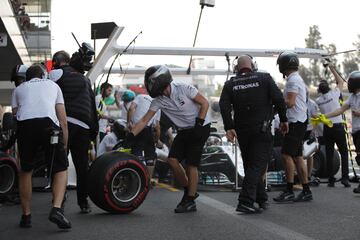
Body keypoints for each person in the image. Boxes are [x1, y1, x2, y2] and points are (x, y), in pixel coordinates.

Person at [127, 65, 210, 213]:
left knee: (192, 163)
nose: (149, 86)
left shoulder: (183, 88)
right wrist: (131, 135)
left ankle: (189, 200)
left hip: (201, 125)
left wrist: (199, 124)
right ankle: (189, 191)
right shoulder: (158, 100)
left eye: (151, 82)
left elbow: (204, 103)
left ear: (160, 79)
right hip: (184, 129)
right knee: (172, 160)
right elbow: (143, 121)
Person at [219, 55, 288, 213]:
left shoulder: (230, 84)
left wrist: (229, 127)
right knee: (257, 165)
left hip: (242, 131)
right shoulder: (264, 78)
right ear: (253, 65)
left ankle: (261, 198)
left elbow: (223, 106)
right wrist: (284, 120)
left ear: (236, 68)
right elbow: (279, 99)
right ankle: (245, 201)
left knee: (251, 165)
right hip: (261, 130)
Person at [11, 64, 71, 229]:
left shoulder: (19, 89)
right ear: (44, 75)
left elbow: (16, 114)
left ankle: (26, 216)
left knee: (26, 171)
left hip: (26, 127)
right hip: (49, 126)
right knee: (60, 168)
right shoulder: (54, 85)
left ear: (26, 78)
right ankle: (57, 209)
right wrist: (64, 146)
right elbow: (63, 120)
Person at [51, 50, 99, 213]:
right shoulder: (86, 80)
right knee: (82, 165)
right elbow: (92, 106)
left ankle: (59, 200)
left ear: (58, 62)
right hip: (84, 125)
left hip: (66, 122)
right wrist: (94, 131)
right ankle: (83, 202)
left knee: (60, 162)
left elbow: (45, 87)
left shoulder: (57, 73)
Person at [273, 51, 313, 203]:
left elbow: (290, 102)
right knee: (297, 157)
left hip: (296, 122)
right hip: (298, 121)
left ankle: (289, 190)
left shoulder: (293, 80)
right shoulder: (296, 78)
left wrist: (275, 104)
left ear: (284, 65)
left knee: (286, 155)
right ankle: (306, 190)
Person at [322, 71, 360, 193]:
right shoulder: (352, 97)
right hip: (355, 131)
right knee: (359, 158)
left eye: (351, 83)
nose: (349, 85)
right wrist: (324, 116)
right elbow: (340, 110)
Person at [315, 63, 350, 187]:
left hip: (327, 129)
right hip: (338, 127)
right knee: (344, 153)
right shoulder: (335, 93)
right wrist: (331, 67)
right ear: (329, 88)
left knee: (329, 154)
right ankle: (345, 178)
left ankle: (331, 180)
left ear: (320, 91)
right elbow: (340, 81)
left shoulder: (318, 101)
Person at [128, 93, 161, 180]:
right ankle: (148, 181)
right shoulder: (157, 104)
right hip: (148, 130)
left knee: (135, 153)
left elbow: (131, 108)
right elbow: (157, 127)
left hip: (137, 128)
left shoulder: (140, 96)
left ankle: (135, 179)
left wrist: (129, 123)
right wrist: (157, 140)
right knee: (150, 156)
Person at [305, 95, 320, 185]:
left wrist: (313, 131)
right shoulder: (299, 101)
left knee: (309, 154)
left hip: (309, 130)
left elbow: (316, 118)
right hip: (299, 128)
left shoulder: (312, 104)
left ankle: (309, 175)